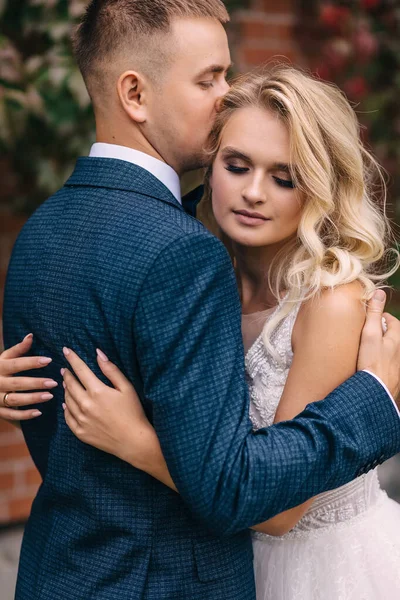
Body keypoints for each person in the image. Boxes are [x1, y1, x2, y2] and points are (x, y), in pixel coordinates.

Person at [1, 1, 400, 598]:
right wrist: (374, 402)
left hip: (65, 569)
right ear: (134, 94)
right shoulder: (186, 253)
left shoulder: (46, 228)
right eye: (209, 78)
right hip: (157, 578)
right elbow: (231, 487)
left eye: (285, 176)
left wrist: (140, 442)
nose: (225, 95)